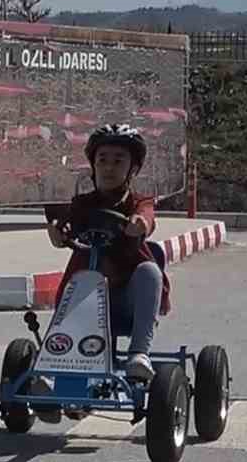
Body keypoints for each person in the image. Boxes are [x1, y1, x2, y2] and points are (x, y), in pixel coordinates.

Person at [43, 123, 172, 389]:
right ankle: (47, 372)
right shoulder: (82, 204)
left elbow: (146, 216)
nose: (109, 167)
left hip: (126, 301)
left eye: (118, 160)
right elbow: (66, 225)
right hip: (85, 297)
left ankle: (139, 355)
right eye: (102, 160)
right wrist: (58, 232)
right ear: (93, 165)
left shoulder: (138, 202)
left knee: (150, 270)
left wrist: (140, 224)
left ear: (132, 169)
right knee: (77, 282)